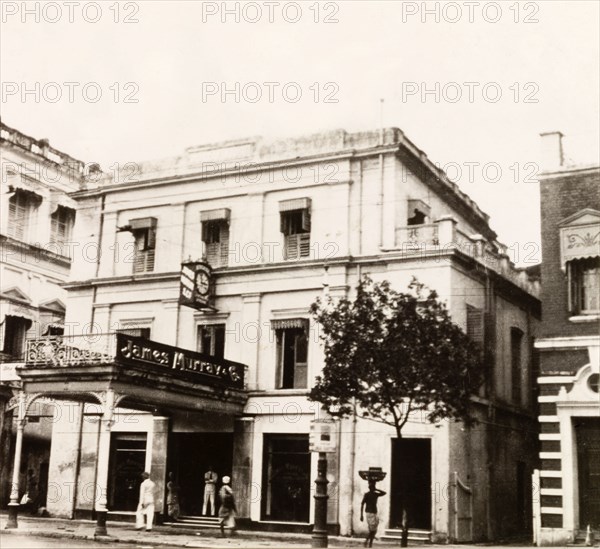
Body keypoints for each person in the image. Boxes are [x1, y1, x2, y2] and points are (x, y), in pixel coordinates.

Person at [360, 481, 386, 547]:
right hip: (369, 513)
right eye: (372, 487)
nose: (372, 488)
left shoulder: (374, 494)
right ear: (370, 488)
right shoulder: (368, 494)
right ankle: (367, 542)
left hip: (374, 513)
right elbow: (362, 504)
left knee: (374, 530)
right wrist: (361, 515)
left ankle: (369, 543)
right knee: (372, 530)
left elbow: (384, 493)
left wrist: (376, 489)